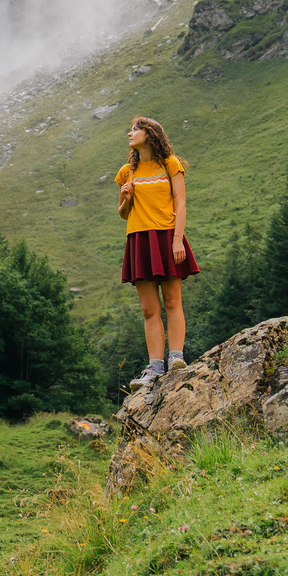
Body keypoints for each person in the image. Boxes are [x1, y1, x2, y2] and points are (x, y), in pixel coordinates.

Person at [115, 116, 199, 387]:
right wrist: (126, 199)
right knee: (149, 309)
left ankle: (176, 358)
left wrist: (177, 241)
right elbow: (122, 213)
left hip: (166, 236)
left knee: (173, 301)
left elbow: (181, 204)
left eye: (135, 130)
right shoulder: (126, 172)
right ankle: (154, 368)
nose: (129, 134)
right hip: (139, 239)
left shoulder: (170, 165)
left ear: (149, 134)